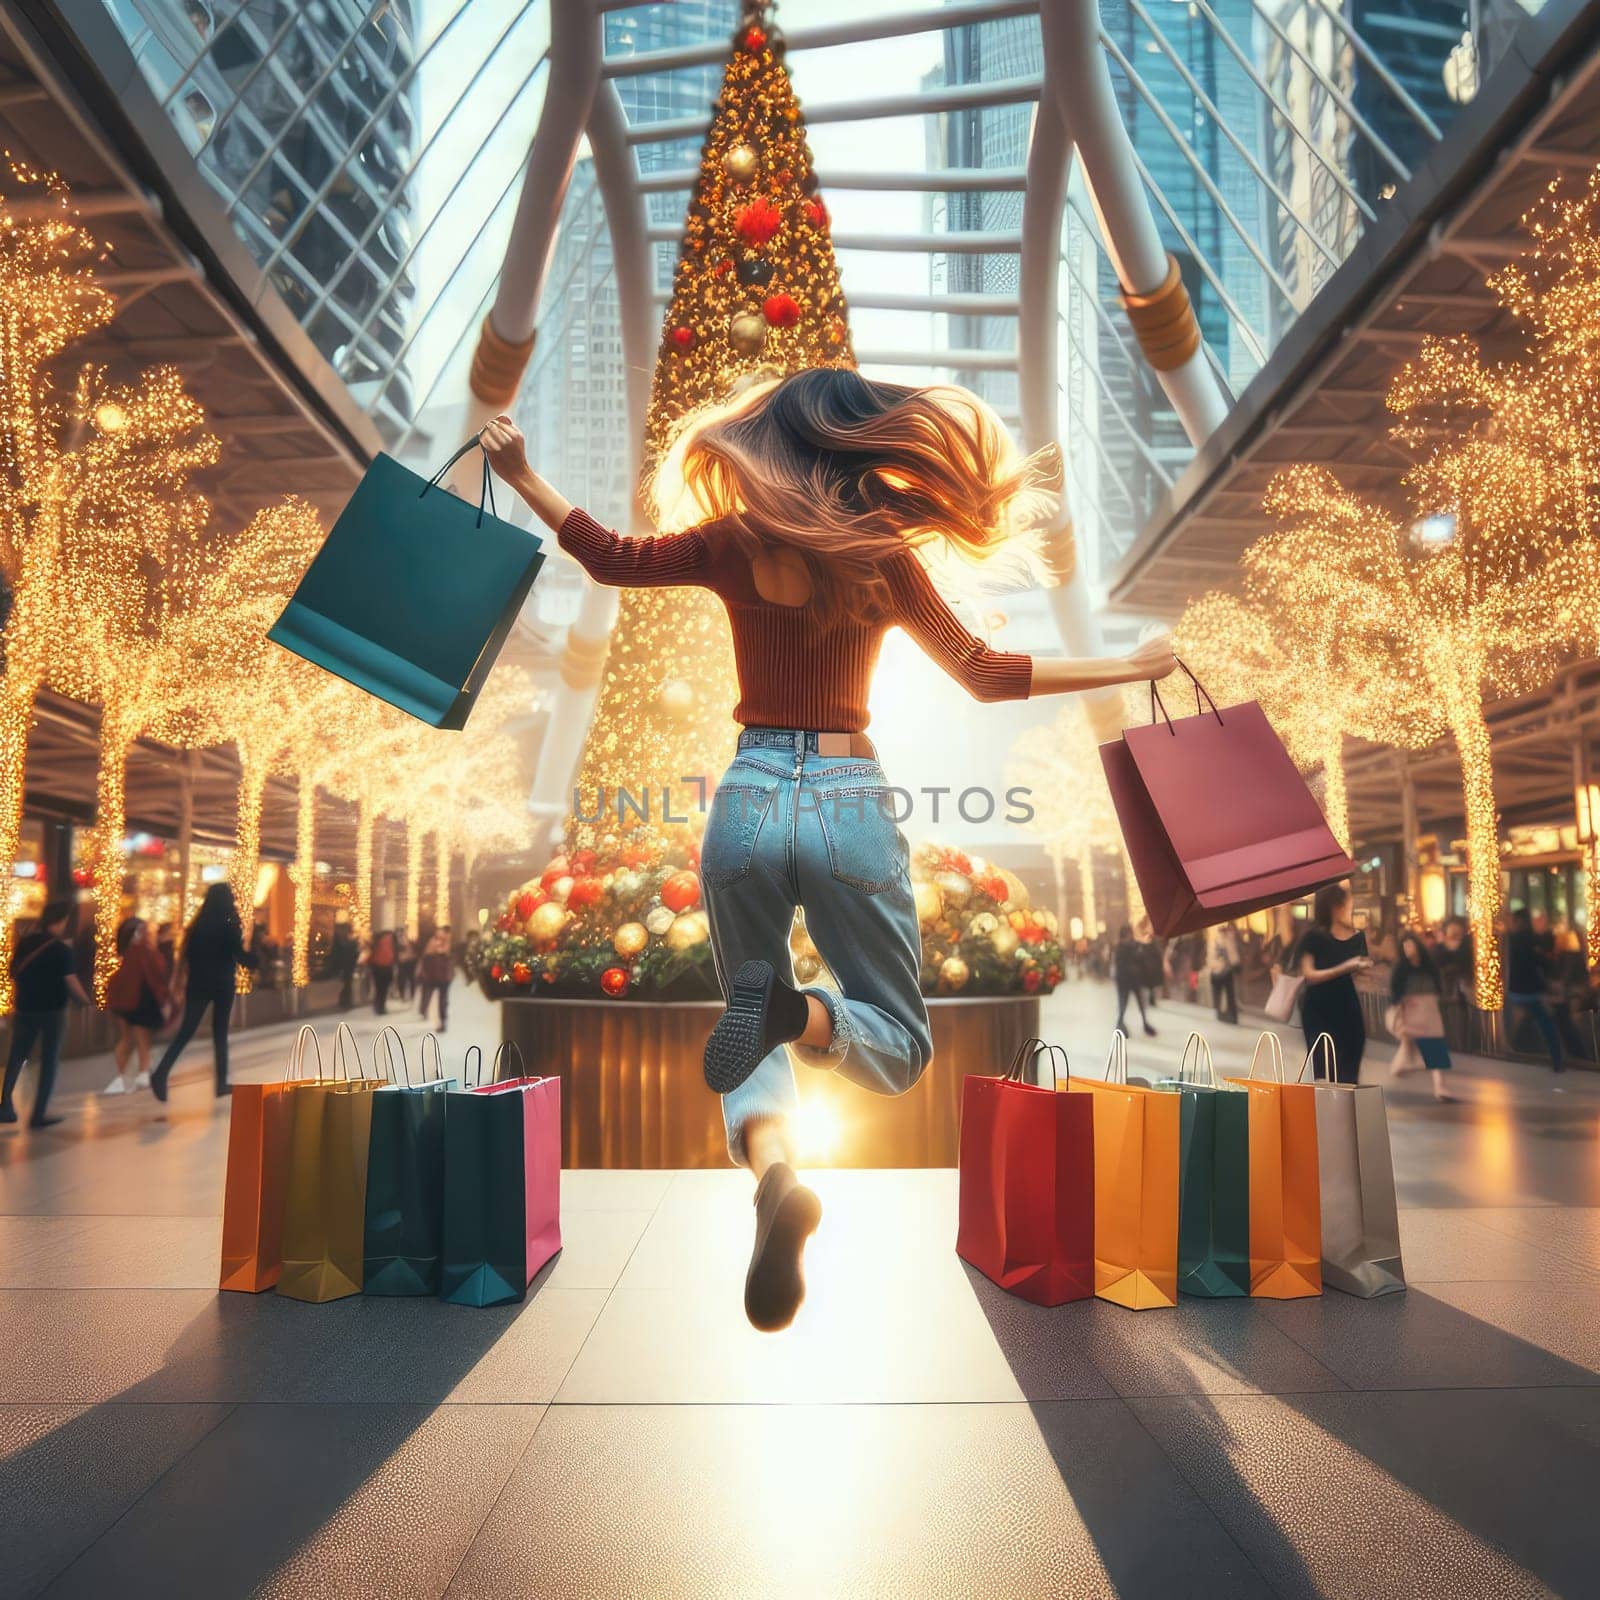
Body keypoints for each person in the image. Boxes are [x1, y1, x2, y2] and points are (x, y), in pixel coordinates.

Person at [481, 373, 1177, 1332]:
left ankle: (776, 1172)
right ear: (856, 447)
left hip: (749, 796)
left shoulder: (731, 542)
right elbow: (982, 672)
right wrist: (1127, 664)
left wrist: (521, 472)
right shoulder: (878, 555)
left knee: (745, 1010)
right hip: (849, 796)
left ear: (767, 439)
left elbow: (607, 558)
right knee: (897, 1042)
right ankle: (801, 1012)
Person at [149, 883, 258, 1103]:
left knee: (186, 1031)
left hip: (198, 985)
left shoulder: (197, 926)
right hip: (222, 984)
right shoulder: (229, 924)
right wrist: (255, 959)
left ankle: (161, 1072)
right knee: (220, 1034)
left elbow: (188, 956)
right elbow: (239, 954)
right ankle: (220, 1083)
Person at [2, 900, 89, 1128]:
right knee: (50, 1060)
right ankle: (38, 1113)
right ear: (60, 921)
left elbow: (12, 971)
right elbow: (71, 981)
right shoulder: (62, 949)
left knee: (17, 1056)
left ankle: (5, 1106)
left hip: (25, 1008)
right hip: (52, 1011)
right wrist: (85, 1001)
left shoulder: (26, 943)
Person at [1296, 882, 1371, 1084]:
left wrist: (1363, 969)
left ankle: (1346, 1110)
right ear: (1334, 907)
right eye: (1346, 904)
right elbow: (1308, 975)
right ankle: (1327, 1111)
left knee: (1350, 1063)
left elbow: (1363, 974)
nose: (1350, 909)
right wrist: (1345, 968)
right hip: (1319, 1008)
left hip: (1347, 1005)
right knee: (1325, 1066)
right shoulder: (1313, 937)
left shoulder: (1357, 938)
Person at [103, 916, 172, 1095]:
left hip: (121, 998)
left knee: (126, 1039)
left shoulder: (126, 952)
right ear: (139, 933)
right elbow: (157, 971)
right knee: (142, 1040)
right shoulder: (145, 951)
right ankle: (141, 1074)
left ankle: (123, 1077)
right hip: (140, 998)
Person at [1388, 931, 1455, 1102]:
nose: (1409, 949)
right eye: (1406, 946)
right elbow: (1395, 993)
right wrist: (1399, 1013)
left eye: (1411, 945)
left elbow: (1437, 985)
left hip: (1429, 1009)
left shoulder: (1428, 965)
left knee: (1434, 1047)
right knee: (1407, 1051)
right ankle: (1412, 1066)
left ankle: (1441, 1087)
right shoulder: (1401, 969)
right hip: (1410, 1010)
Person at [1505, 907, 1563, 1073]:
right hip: (1532, 991)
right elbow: (1542, 963)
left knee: (1522, 1019)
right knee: (1546, 1023)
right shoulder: (1532, 940)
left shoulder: (1511, 940)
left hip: (1515, 990)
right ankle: (1556, 1058)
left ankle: (1515, 1047)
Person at [1112, 922, 1156, 1037]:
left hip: (1133, 979)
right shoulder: (1123, 947)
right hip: (1126, 979)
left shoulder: (1132, 946)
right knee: (1124, 1003)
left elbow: (1141, 961)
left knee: (1139, 1003)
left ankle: (1143, 1024)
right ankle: (1121, 1024)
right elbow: (1121, 963)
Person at [419, 924, 452, 1030]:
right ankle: (440, 1020)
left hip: (438, 976)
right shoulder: (442, 943)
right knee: (440, 999)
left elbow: (426, 959)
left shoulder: (436, 944)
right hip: (437, 976)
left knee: (439, 998)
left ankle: (441, 1020)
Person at [1207, 923, 1242, 1025]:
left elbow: (1210, 956)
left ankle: (1220, 1013)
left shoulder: (1212, 938)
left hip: (1216, 970)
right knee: (1229, 994)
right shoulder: (1227, 938)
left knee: (1218, 993)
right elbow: (1232, 954)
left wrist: (1212, 966)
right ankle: (1231, 1015)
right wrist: (1236, 964)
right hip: (1226, 970)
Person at [365, 927, 396, 1016]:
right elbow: (392, 954)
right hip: (384, 967)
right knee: (383, 989)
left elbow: (371, 953)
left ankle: (378, 1006)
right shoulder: (390, 941)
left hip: (378, 967)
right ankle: (380, 1007)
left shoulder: (377, 940)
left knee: (379, 989)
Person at [395, 932, 418, 1003]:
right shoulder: (398, 947)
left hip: (410, 963)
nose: (402, 939)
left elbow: (415, 954)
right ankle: (402, 996)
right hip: (402, 964)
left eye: (403, 937)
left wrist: (410, 957)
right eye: (401, 938)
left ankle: (412, 995)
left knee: (412, 980)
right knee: (402, 980)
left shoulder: (412, 944)